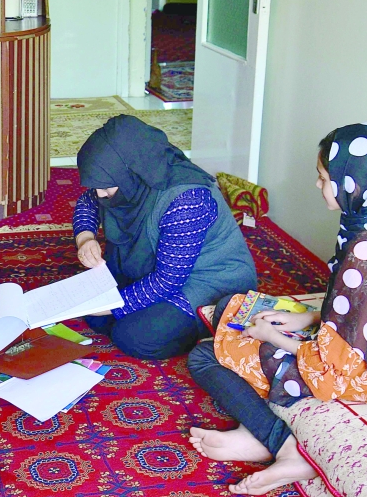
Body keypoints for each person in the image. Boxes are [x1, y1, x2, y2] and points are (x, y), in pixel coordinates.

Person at [187, 124, 367, 495]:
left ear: (354, 184)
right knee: (232, 307)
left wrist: (272, 335)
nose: (318, 185)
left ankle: (281, 445)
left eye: (324, 178)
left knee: (204, 354)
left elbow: (339, 362)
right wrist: (308, 317)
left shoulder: (366, 254)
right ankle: (258, 431)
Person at [73, 115, 257, 360]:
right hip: (155, 266)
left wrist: (112, 305)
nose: (99, 193)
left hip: (207, 281)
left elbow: (169, 281)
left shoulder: (187, 199)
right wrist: (85, 238)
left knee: (132, 336)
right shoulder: (127, 177)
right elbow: (88, 201)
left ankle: (211, 333)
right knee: (94, 310)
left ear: (132, 172)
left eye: (105, 186)